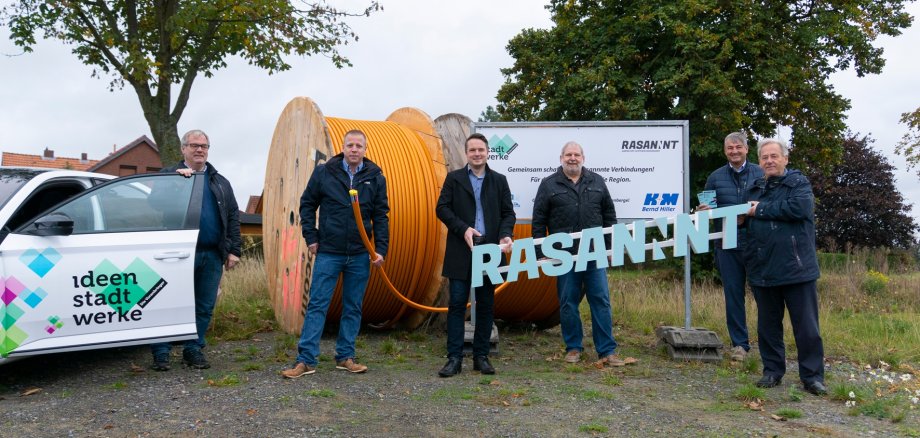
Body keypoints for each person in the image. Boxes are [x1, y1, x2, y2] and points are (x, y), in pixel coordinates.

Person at [282, 129, 389, 378]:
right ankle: (305, 360)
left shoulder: (375, 177)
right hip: (329, 251)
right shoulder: (325, 172)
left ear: (365, 149)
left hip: (360, 253)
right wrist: (311, 237)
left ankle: (345, 356)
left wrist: (380, 249)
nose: (354, 149)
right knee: (317, 304)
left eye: (359, 146)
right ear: (343, 147)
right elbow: (307, 204)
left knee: (353, 306)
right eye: (350, 145)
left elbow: (381, 215)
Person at [151, 129, 241, 371]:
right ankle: (161, 351)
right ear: (183, 149)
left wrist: (234, 250)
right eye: (194, 145)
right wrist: (176, 184)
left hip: (211, 253)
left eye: (204, 146)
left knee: (204, 305)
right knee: (167, 302)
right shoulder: (169, 176)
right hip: (175, 255)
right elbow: (153, 203)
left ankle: (193, 349)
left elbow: (233, 216)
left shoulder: (219, 181)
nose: (199, 149)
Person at [532, 141, 626, 367]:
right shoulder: (548, 184)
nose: (572, 158)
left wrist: (610, 247)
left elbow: (609, 216)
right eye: (568, 155)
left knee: (601, 301)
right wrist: (541, 252)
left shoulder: (597, 181)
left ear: (583, 158)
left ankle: (607, 351)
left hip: (594, 252)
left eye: (576, 154)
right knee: (568, 302)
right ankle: (573, 348)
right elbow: (539, 221)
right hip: (564, 255)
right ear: (561, 158)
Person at [744, 138, 826, 395]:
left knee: (807, 328)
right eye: (764, 157)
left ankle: (812, 377)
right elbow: (743, 218)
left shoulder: (798, 183)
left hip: (797, 270)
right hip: (763, 269)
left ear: (785, 159)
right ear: (759, 162)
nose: (769, 161)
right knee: (768, 327)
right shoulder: (754, 189)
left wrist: (761, 210)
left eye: (774, 156)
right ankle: (772, 371)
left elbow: (799, 208)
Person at [435, 133, 515, 377]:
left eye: (481, 149)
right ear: (466, 153)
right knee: (457, 303)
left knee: (486, 304)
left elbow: (508, 213)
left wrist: (505, 235)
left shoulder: (499, 180)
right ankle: (454, 358)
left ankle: (481, 357)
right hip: (462, 248)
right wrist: (463, 229)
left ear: (488, 152)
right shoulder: (454, 178)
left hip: (490, 249)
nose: (477, 154)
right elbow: (442, 208)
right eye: (472, 150)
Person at [697, 131, 764, 362]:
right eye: (730, 148)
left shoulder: (761, 173)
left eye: (738, 147)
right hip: (726, 244)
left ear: (746, 149)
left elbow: (770, 205)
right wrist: (704, 211)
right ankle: (739, 345)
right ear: (725, 151)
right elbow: (707, 211)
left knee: (765, 295)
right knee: (733, 296)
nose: (734, 151)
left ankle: (769, 344)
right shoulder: (715, 177)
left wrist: (749, 215)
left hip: (757, 244)